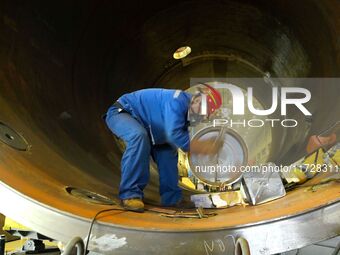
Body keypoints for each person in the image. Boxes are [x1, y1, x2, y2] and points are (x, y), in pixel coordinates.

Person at [104, 85, 222, 212]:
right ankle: (130, 194)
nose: (204, 118)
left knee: (168, 152)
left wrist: (200, 147)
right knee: (138, 136)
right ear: (198, 100)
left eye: (207, 115)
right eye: (204, 113)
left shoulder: (189, 113)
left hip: (151, 128)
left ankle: (172, 199)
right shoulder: (177, 100)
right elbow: (174, 134)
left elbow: (179, 137)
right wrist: (201, 148)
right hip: (122, 113)